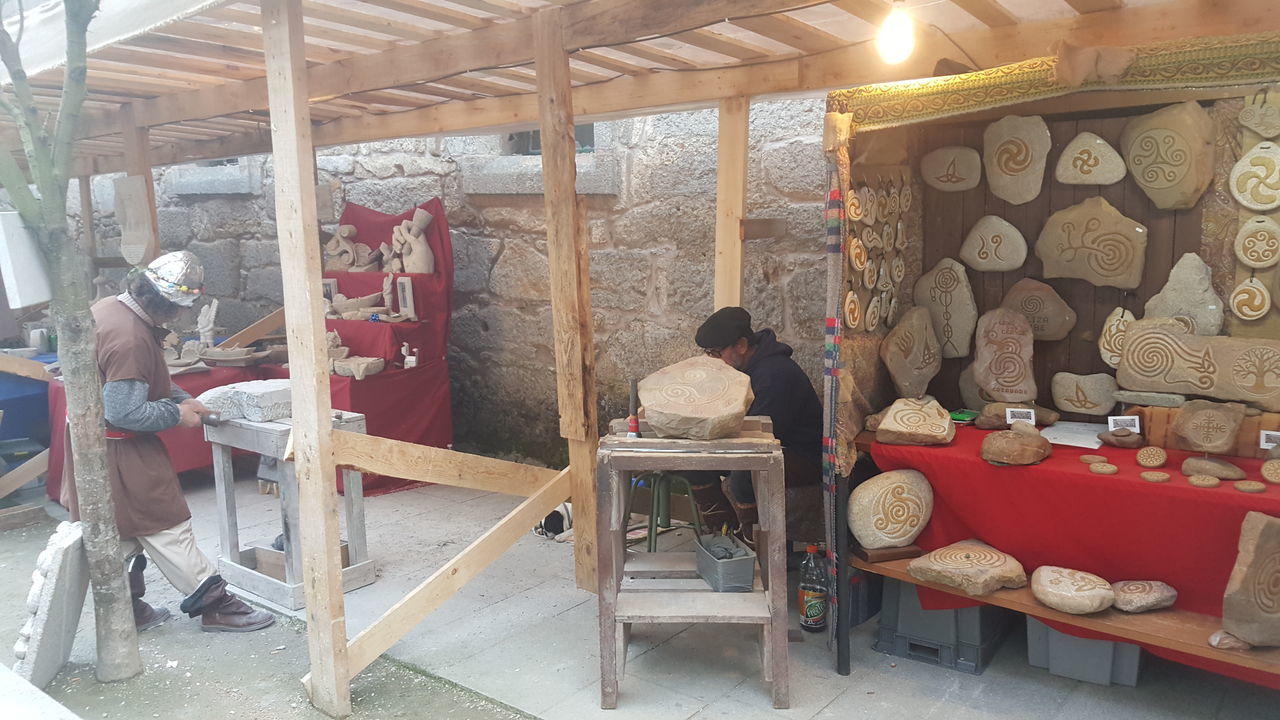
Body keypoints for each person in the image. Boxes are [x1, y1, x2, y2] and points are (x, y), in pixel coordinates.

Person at [62, 251, 274, 633]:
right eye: (178, 309)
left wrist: (178, 397)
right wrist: (178, 415)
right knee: (165, 524)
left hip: (97, 444)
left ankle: (125, 607)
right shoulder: (130, 338)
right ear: (163, 303)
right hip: (118, 448)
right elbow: (124, 411)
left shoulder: (112, 307)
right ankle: (215, 604)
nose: (179, 317)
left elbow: (142, 378)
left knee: (120, 530)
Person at [688, 306, 824, 541]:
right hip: (766, 444)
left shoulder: (775, 375)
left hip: (801, 455)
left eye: (716, 353)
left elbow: (760, 438)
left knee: (746, 471)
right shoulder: (739, 369)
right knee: (694, 462)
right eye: (709, 353)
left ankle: (752, 543)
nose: (713, 361)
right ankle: (724, 531)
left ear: (741, 345)